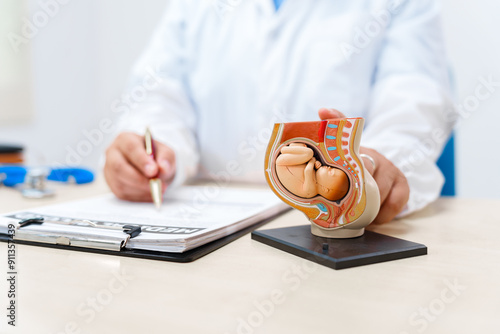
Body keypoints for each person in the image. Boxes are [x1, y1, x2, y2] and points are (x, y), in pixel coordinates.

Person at [104, 0, 456, 224]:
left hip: (333, 224)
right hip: (208, 222)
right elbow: (159, 91)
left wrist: (379, 163)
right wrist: (150, 152)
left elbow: (414, 98)